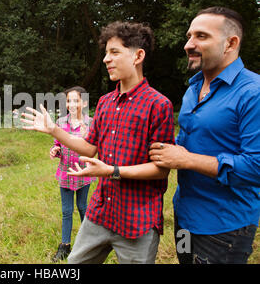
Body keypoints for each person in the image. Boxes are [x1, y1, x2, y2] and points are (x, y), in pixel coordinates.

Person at [22, 21, 175, 264]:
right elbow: (91, 147)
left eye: (114, 52)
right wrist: (54, 130)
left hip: (138, 220)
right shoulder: (105, 102)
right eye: (106, 53)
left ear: (138, 55)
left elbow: (161, 169)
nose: (106, 59)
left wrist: (111, 171)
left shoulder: (159, 105)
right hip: (100, 212)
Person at [149, 6, 260, 264]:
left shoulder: (253, 93)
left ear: (231, 43)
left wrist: (186, 160)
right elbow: (194, 141)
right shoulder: (194, 87)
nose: (189, 44)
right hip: (185, 214)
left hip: (223, 226)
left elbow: (256, 167)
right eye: (189, 36)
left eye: (201, 36)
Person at [49, 86, 96, 262]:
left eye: (76, 100)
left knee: (83, 207)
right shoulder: (61, 123)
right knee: (66, 211)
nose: (72, 104)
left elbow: (92, 148)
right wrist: (55, 150)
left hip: (83, 173)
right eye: (69, 101)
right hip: (65, 173)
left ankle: (89, 243)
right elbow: (58, 144)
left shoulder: (91, 123)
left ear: (84, 102)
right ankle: (65, 246)